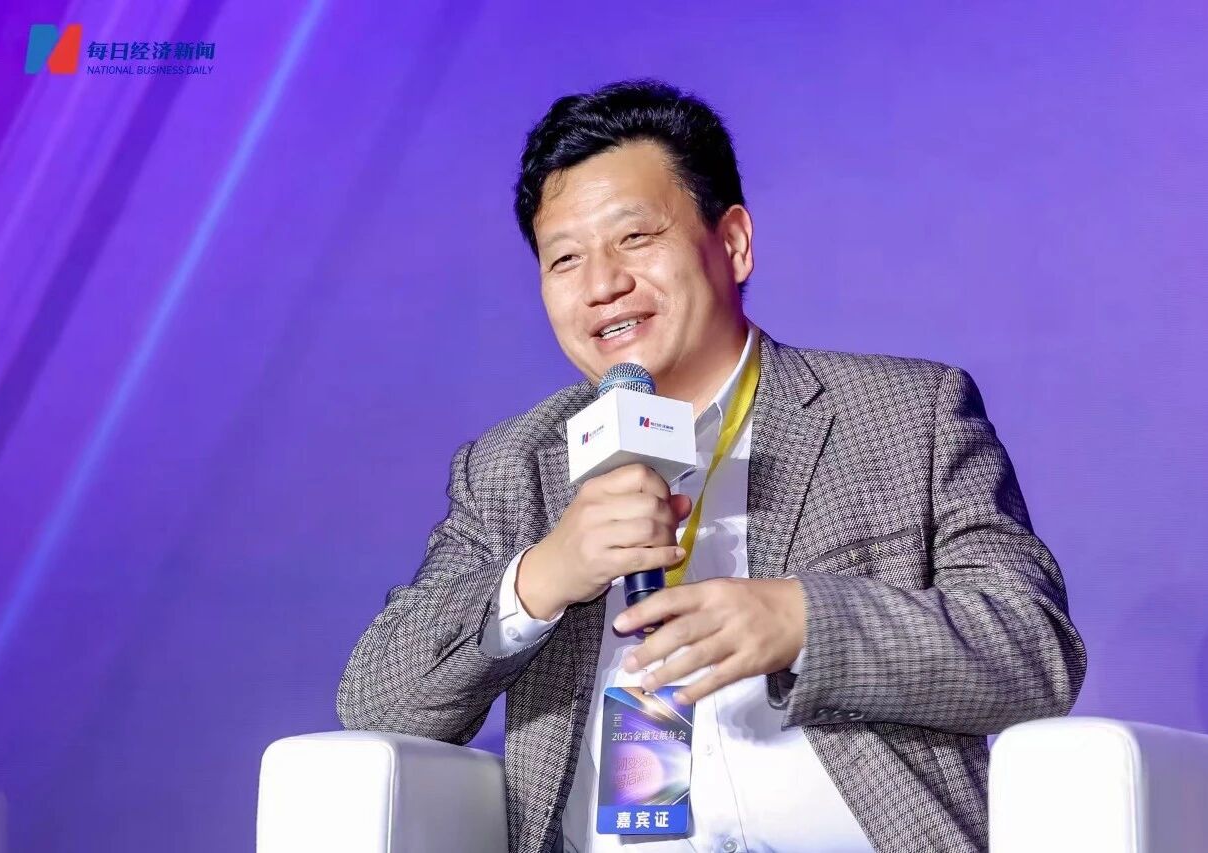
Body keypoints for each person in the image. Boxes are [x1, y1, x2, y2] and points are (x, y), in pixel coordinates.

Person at [336, 79, 1086, 853]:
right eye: (565, 258)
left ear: (732, 243)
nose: (602, 285)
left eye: (634, 238)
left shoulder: (906, 413)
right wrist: (544, 575)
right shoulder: (512, 465)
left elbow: (1036, 652)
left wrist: (801, 621)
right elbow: (376, 700)